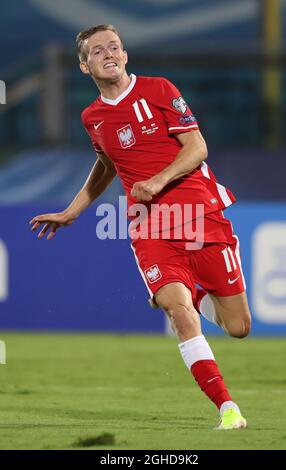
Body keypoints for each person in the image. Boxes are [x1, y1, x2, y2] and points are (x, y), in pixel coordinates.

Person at [30, 24, 251, 430]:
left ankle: (192, 293)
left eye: (114, 46)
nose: (108, 53)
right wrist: (72, 210)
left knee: (238, 328)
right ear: (84, 66)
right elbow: (106, 166)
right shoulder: (92, 117)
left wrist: (158, 181)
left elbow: (197, 147)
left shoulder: (160, 89)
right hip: (149, 226)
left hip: (202, 216)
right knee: (178, 313)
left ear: (126, 54)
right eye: (97, 51)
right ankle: (228, 409)